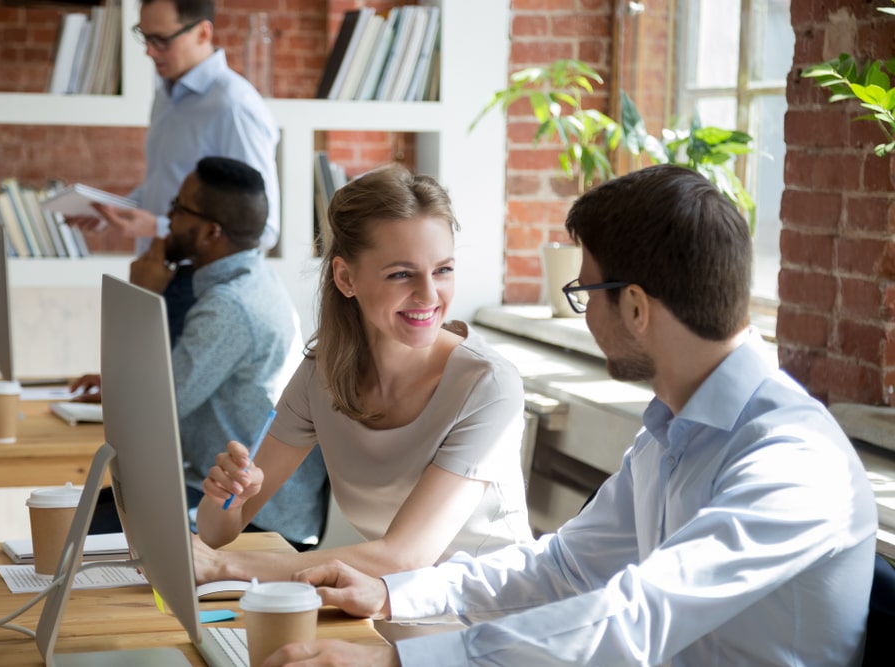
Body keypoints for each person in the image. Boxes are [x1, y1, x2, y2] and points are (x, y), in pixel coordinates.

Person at [266, 164, 879, 667]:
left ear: (635, 307)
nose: (583, 314)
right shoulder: (672, 430)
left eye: (584, 294)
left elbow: (639, 614)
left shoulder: (793, 459)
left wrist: (398, 662)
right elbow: (564, 565)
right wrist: (393, 593)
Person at [192, 163, 533, 589]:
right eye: (401, 274)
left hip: (491, 624)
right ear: (346, 278)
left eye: (443, 270)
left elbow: (405, 556)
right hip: (385, 612)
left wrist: (228, 570)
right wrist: (225, 497)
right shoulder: (323, 372)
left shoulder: (488, 385)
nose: (429, 295)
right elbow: (217, 531)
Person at [71, 157, 327, 551]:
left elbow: (146, 416)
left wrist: (144, 295)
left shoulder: (228, 307)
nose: (167, 219)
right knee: (86, 517)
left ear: (210, 232)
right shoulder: (253, 279)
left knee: (78, 535)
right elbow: (167, 388)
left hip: (260, 518)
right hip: (228, 495)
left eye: (177, 209)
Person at [70, 0, 281, 344]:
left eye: (161, 40)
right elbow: (164, 183)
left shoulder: (235, 106)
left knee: (165, 396)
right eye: (144, 36)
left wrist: (156, 227)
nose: (149, 52)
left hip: (198, 284)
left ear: (203, 32)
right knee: (141, 389)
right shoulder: (166, 95)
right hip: (157, 274)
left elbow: (262, 228)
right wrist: (116, 210)